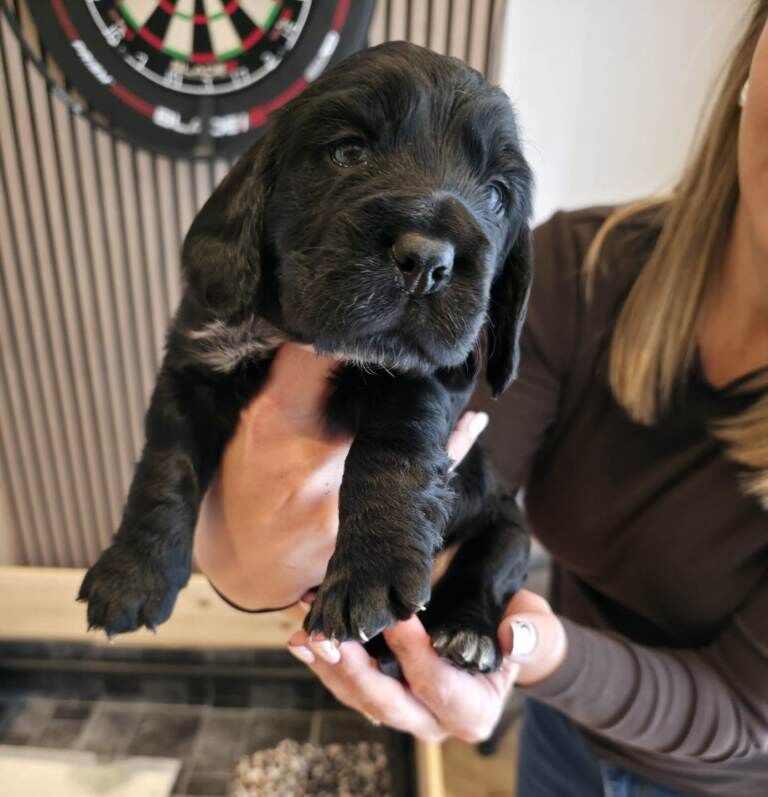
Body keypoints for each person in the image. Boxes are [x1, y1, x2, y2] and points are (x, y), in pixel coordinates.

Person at [194, 4, 768, 795]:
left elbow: (747, 712)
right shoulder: (586, 266)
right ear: (752, 59)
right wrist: (248, 550)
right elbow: (458, 479)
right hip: (560, 737)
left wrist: (533, 648)